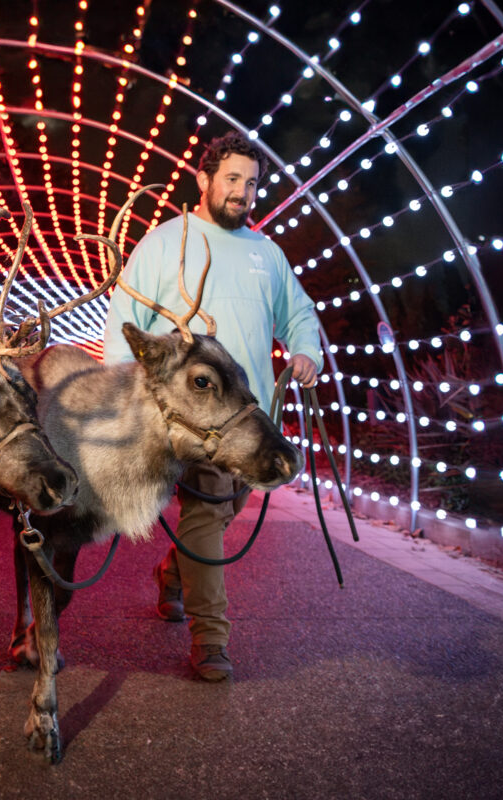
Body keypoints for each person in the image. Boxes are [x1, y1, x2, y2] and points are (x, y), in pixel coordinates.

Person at [102, 131, 322, 681]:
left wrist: (304, 349)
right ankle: (211, 640)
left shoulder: (266, 254)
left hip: (250, 419)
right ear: (203, 180)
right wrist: (118, 399)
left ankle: (173, 575)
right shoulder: (164, 244)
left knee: (229, 509)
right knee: (205, 513)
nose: (242, 192)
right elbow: (123, 324)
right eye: (232, 179)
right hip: (189, 418)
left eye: (251, 183)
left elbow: (297, 311)